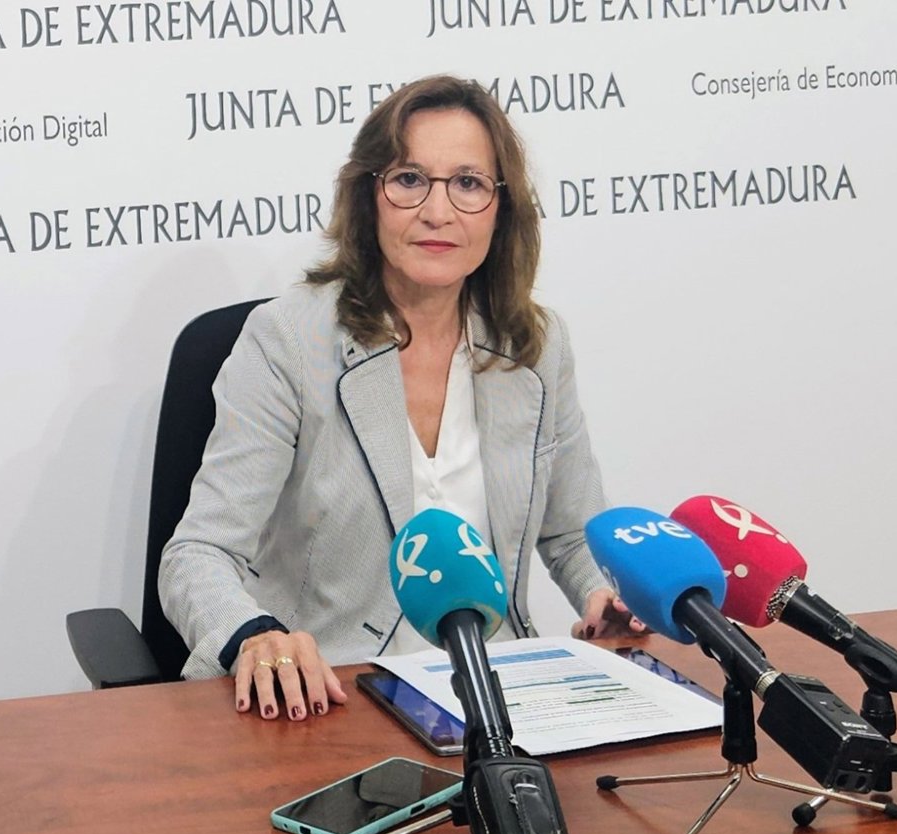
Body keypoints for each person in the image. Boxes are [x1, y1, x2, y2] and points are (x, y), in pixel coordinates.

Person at [159, 74, 643, 723]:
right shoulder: (292, 339)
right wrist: (255, 635)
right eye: (410, 179)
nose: (438, 212)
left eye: (468, 183)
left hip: (501, 694)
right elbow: (199, 554)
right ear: (369, 197)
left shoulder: (534, 344)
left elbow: (572, 534)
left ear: (501, 209)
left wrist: (601, 596)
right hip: (331, 696)